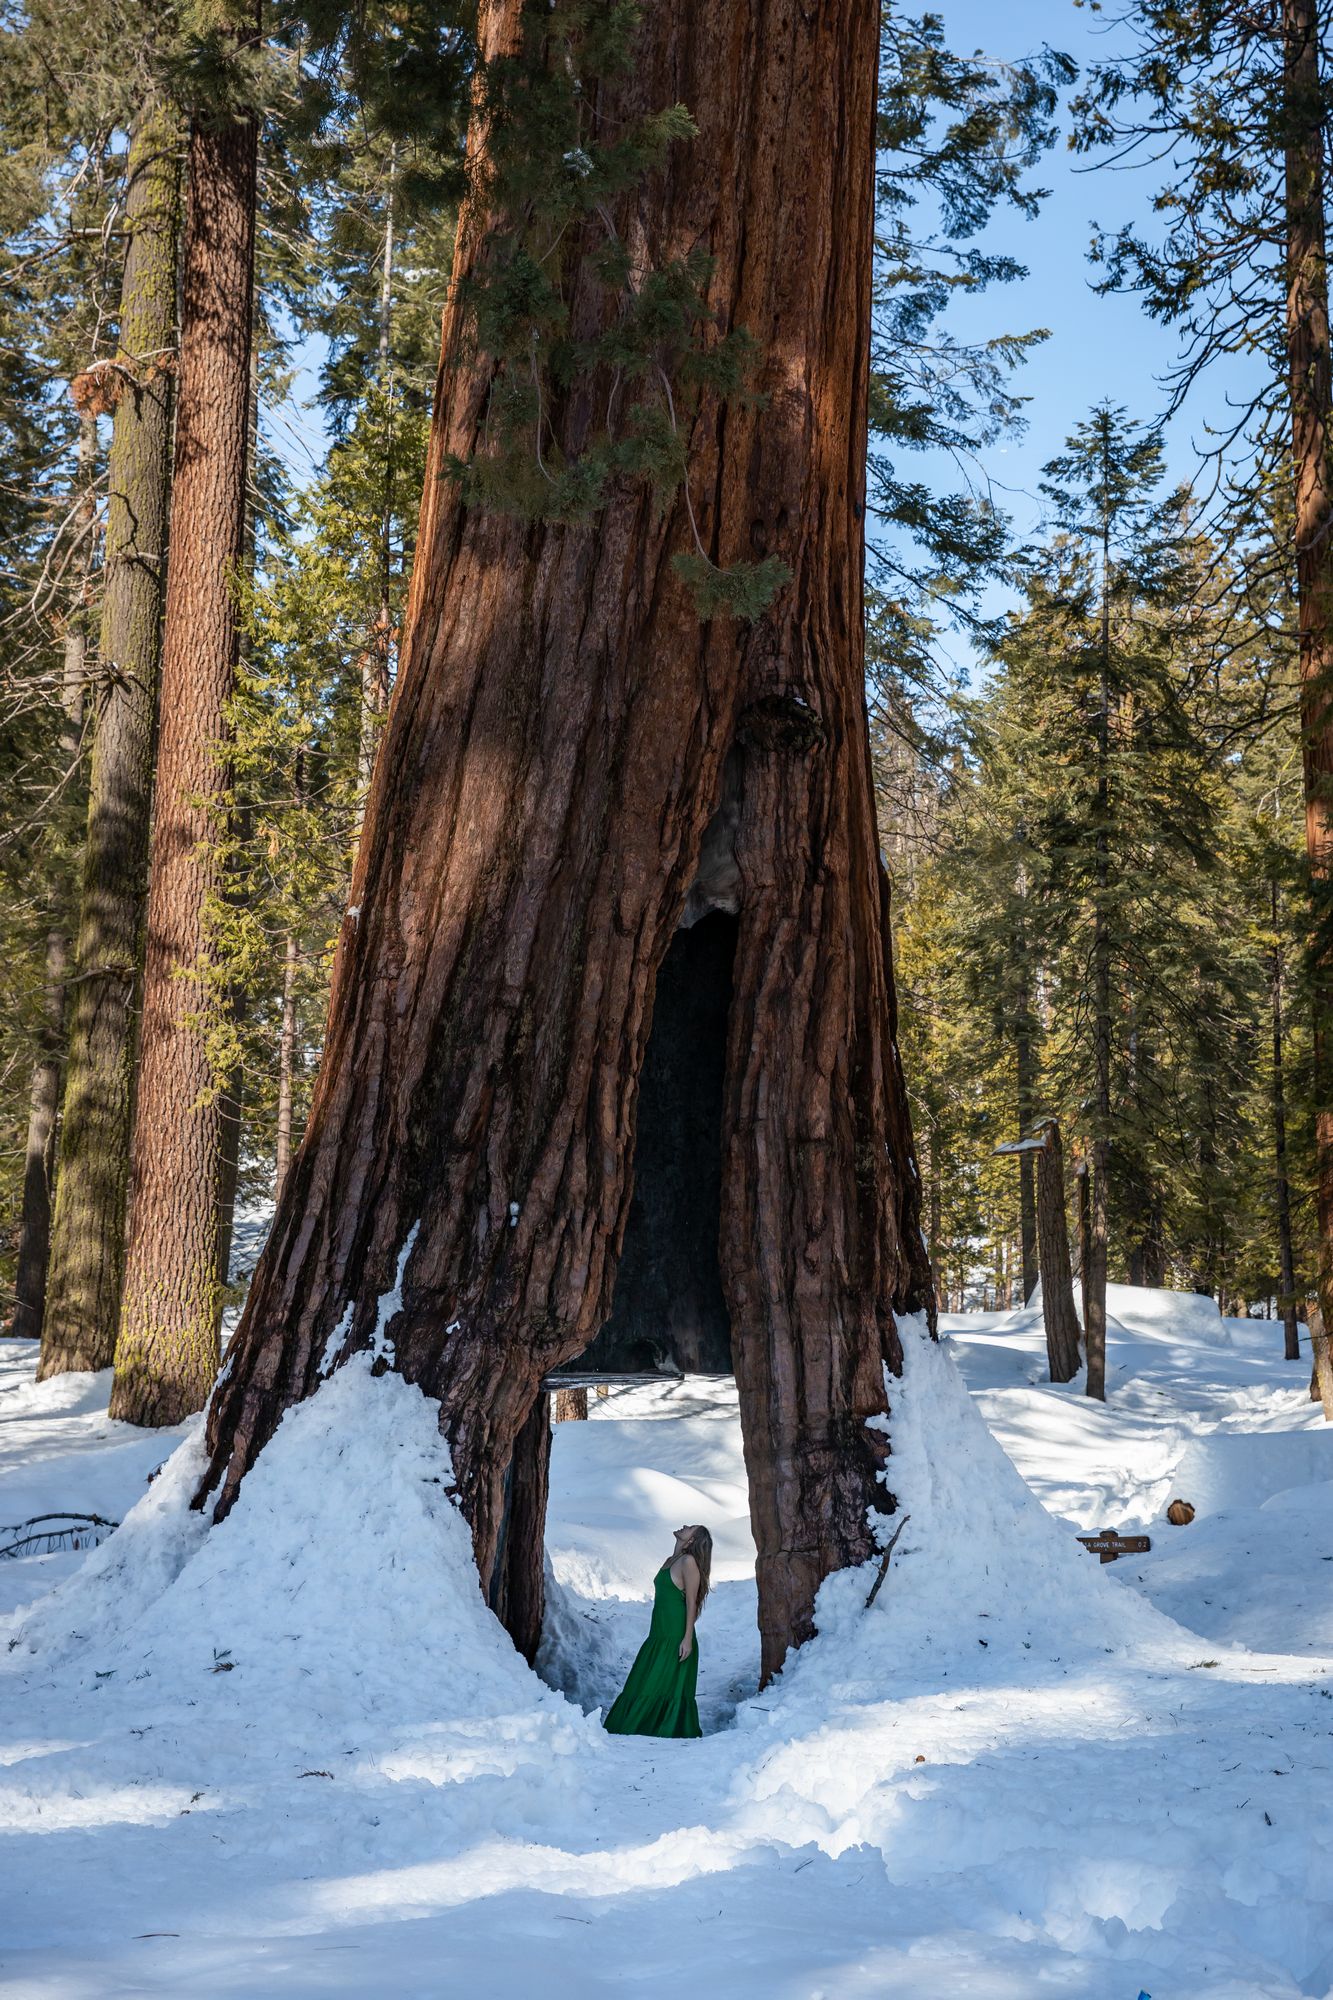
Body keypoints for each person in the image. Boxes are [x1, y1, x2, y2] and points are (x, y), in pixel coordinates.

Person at [604, 1523, 712, 1739]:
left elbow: (691, 1602)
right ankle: (638, 1726)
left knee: (661, 1684)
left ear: (691, 1540)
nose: (685, 1526)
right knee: (643, 1680)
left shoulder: (688, 1562)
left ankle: (663, 1728)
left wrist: (687, 1638)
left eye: (690, 1528)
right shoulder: (669, 1561)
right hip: (658, 1633)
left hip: (675, 1635)